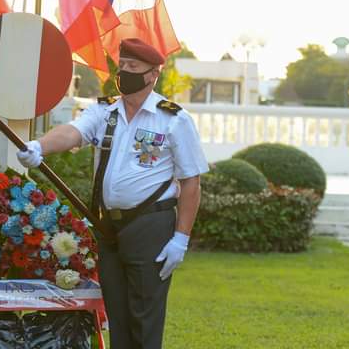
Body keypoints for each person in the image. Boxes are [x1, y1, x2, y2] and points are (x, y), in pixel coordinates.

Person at [17, 38, 208, 349]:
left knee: (144, 314)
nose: (125, 73)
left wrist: (181, 239)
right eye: (122, 66)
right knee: (117, 314)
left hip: (151, 224)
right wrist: (40, 146)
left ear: (152, 75)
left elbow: (191, 182)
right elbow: (72, 132)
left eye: (133, 67)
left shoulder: (172, 119)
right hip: (109, 227)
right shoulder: (105, 111)